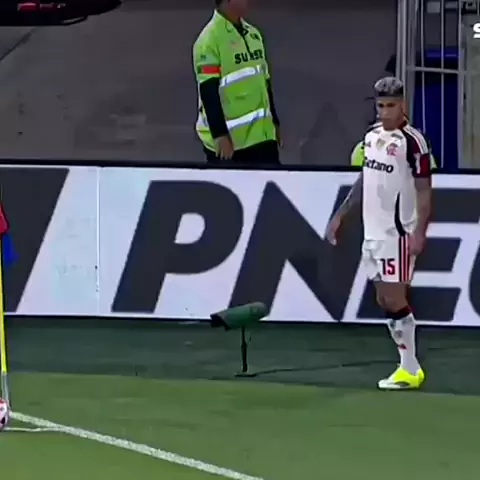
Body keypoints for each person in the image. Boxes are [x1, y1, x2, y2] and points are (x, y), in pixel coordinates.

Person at [326, 77, 432, 390]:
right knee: (383, 298)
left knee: (394, 297)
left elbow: (424, 190)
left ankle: (409, 368)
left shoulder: (413, 142)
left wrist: (420, 232)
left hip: (397, 232)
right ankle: (408, 366)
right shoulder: (371, 137)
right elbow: (365, 178)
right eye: (381, 106)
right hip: (372, 232)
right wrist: (341, 214)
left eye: (391, 106)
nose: (385, 112)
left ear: (403, 105)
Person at [192, 0, 281, 165]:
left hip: (263, 139)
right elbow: (208, 92)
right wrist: (220, 135)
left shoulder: (253, 34)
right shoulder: (209, 40)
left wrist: (275, 122)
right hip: (231, 146)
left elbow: (264, 81)